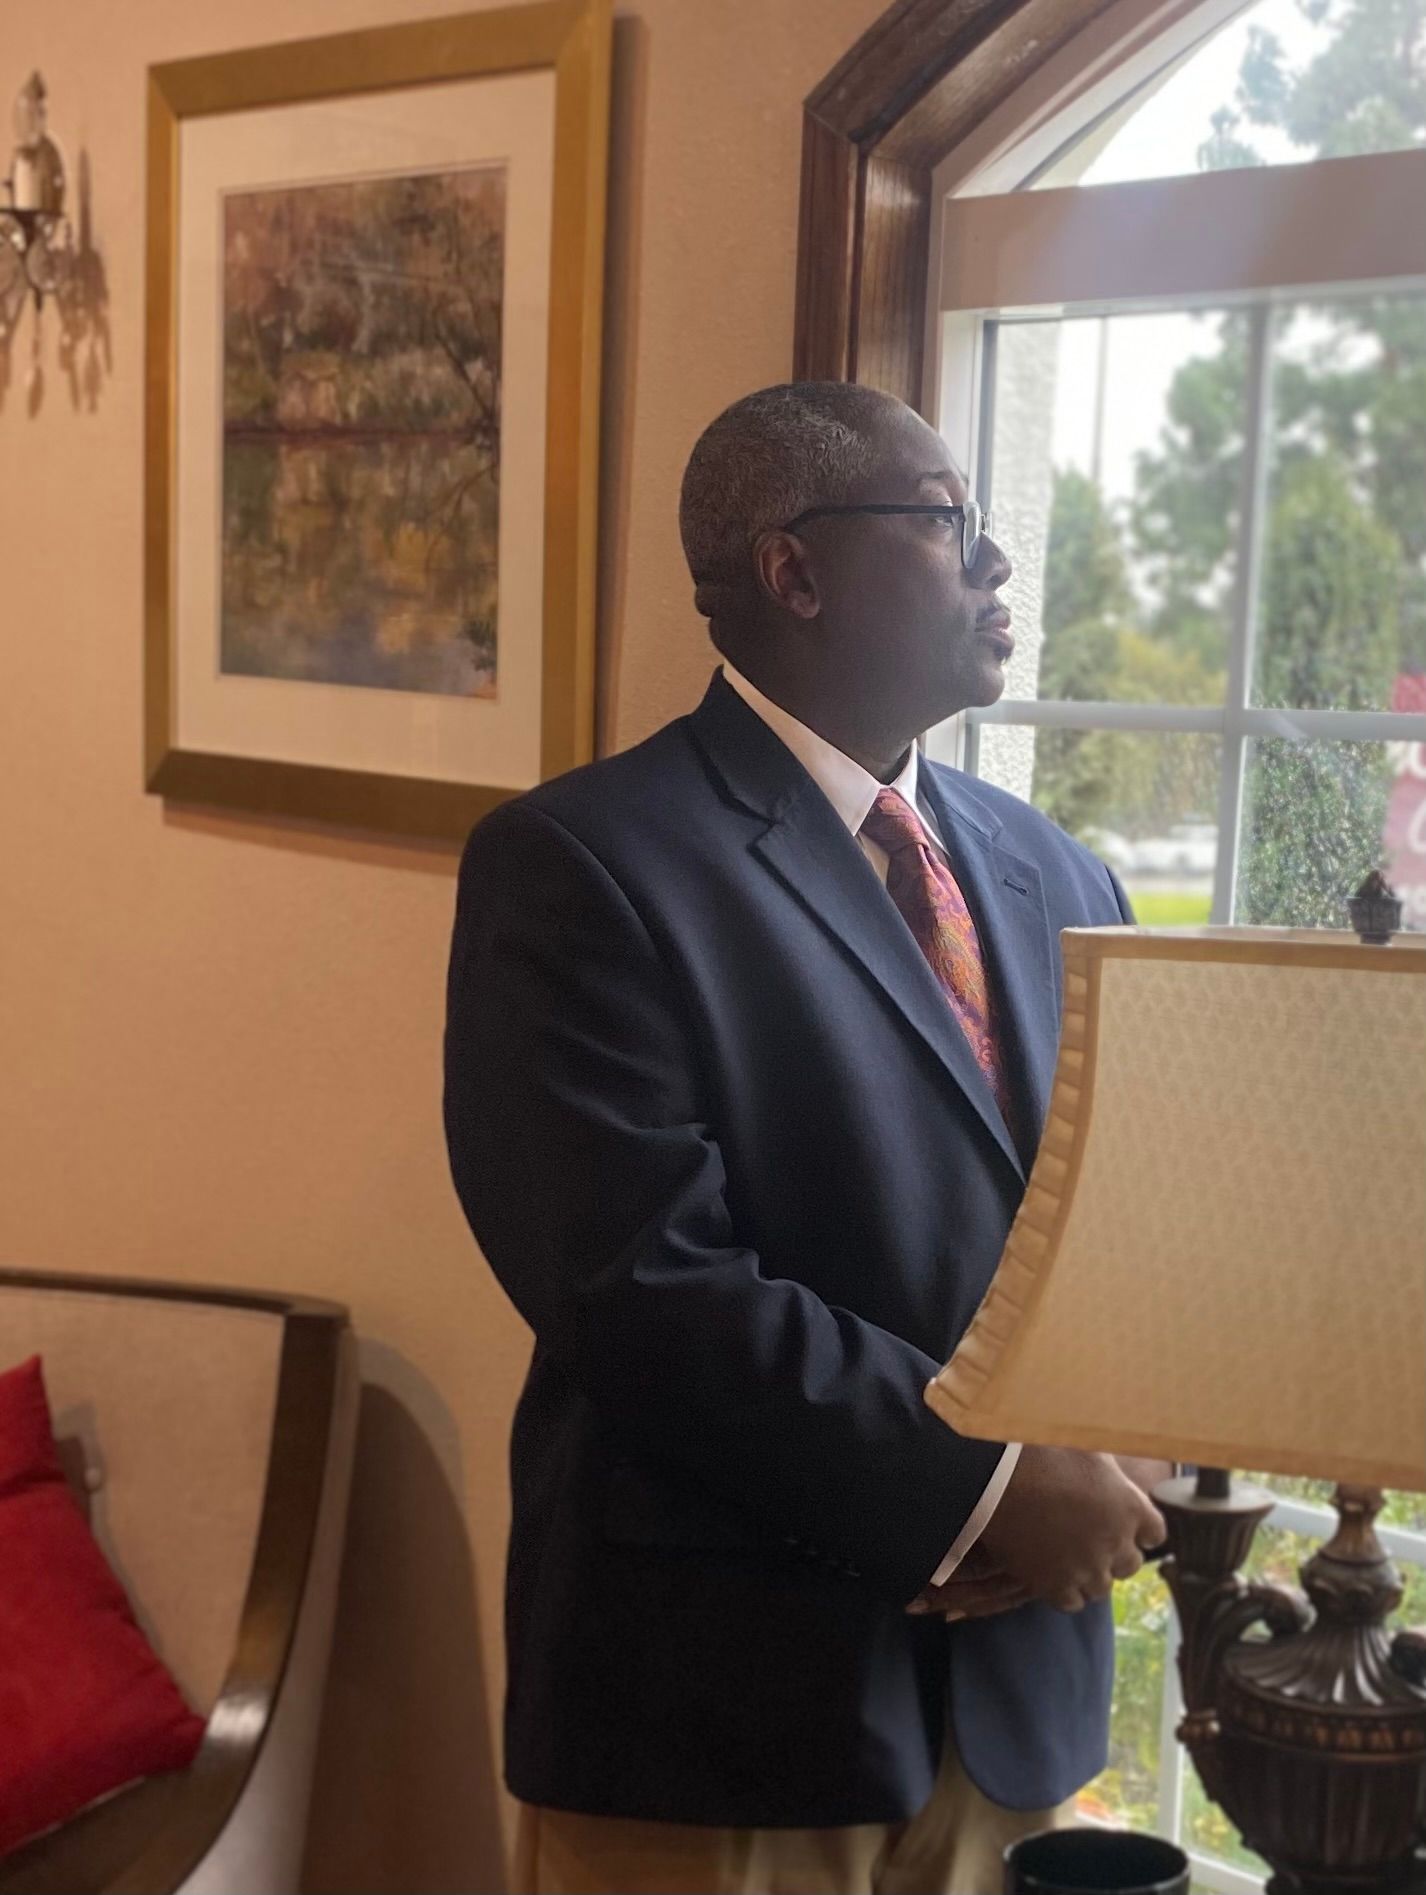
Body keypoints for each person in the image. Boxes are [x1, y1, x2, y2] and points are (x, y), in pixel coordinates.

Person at [444, 382, 1167, 1895]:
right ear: (792, 571)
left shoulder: (1058, 875)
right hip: (721, 1719)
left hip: (1014, 1711)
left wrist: (1137, 1417)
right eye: (945, 518)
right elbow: (640, 1288)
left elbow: (1108, 1222)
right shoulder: (582, 865)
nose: (995, 563)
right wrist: (985, 1485)